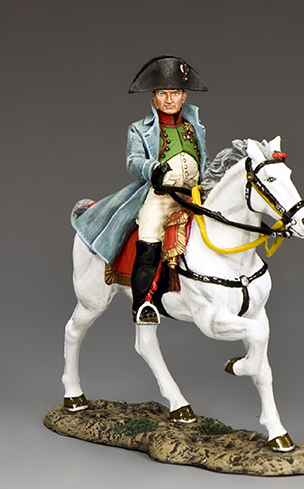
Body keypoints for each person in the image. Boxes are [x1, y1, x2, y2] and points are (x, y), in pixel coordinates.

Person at [72, 55, 208, 324]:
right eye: (162, 94)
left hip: (193, 196)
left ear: (183, 97)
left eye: (175, 93)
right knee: (149, 238)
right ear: (154, 98)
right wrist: (153, 169)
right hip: (162, 196)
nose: (169, 100)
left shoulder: (194, 127)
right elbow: (133, 160)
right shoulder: (139, 129)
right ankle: (143, 303)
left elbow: (203, 158)